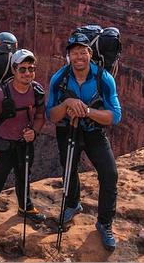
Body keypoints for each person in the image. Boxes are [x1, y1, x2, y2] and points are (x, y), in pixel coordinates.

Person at [46, 32, 121, 252]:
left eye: (83, 52)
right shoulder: (59, 79)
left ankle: (104, 223)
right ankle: (72, 204)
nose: (79, 56)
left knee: (109, 174)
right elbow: (52, 115)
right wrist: (68, 102)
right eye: (74, 52)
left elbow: (115, 116)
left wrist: (87, 111)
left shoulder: (103, 78)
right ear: (68, 56)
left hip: (94, 133)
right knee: (69, 169)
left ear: (89, 53)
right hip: (67, 131)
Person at [0, 49, 46, 261]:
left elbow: (40, 116)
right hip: (1, 151)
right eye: (22, 69)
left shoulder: (37, 91)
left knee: (24, 179)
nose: (27, 73)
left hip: (24, 146)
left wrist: (35, 132)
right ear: (14, 69)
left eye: (31, 69)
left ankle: (25, 207)